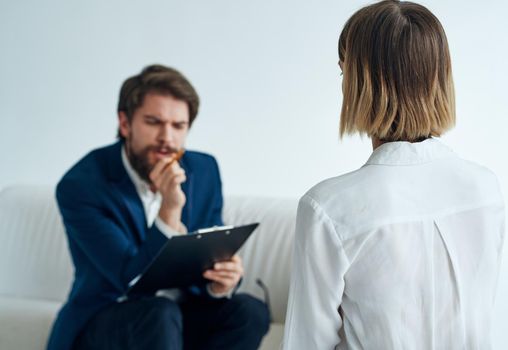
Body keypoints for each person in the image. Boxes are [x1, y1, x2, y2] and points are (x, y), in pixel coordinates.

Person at [283, 1, 505, 349]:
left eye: (344, 72)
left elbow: (306, 343)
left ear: (359, 82)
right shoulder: (485, 187)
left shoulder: (326, 207)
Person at [46, 64, 270, 350]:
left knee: (249, 311)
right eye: (154, 122)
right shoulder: (82, 185)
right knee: (159, 313)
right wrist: (170, 208)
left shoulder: (204, 169)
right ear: (125, 124)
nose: (168, 138)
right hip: (107, 321)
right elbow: (130, 280)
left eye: (179, 126)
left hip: (177, 316)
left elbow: (208, 248)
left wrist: (219, 283)